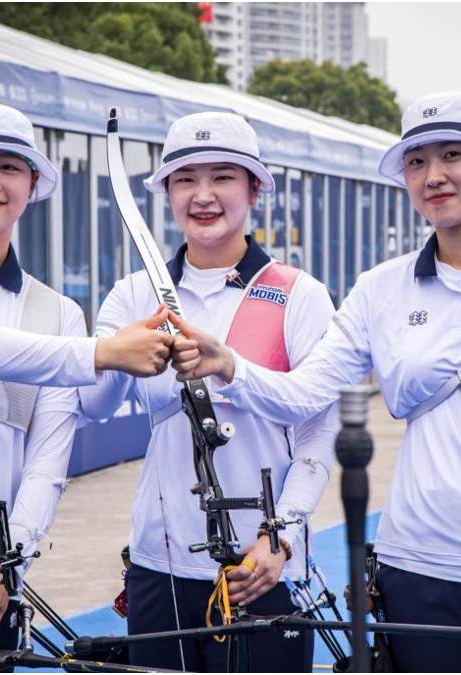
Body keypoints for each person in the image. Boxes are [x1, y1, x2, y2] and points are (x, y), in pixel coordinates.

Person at [168, 90, 461, 672]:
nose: (433, 176)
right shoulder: (379, 289)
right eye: (416, 162)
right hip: (419, 563)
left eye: (452, 156)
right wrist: (228, 363)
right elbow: (306, 395)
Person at [77, 112, 337, 672]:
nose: (203, 195)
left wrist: (281, 538)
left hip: (261, 566)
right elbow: (92, 406)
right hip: (159, 565)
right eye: (185, 178)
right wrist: (115, 351)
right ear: (167, 191)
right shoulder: (130, 294)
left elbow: (319, 431)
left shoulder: (299, 293)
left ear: (254, 188)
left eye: (222, 176)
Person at [0, 102, 170, 666]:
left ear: (33, 184)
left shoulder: (57, 313)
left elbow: (46, 464)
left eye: (9, 167)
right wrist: (105, 352)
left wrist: (7, 566)